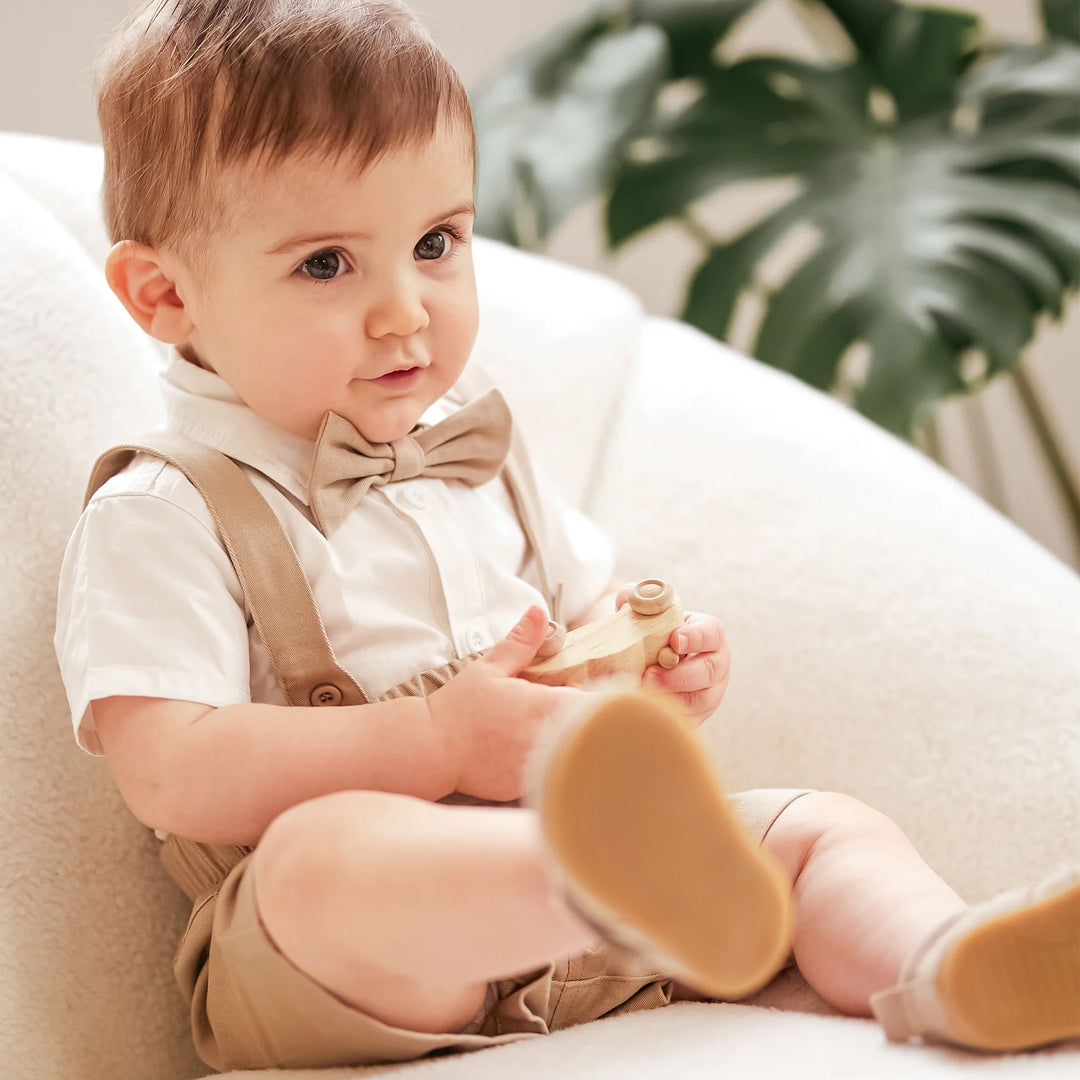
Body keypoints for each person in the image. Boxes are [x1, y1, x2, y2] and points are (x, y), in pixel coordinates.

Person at [55, 0, 1078, 1072]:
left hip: (584, 944)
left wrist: (637, 678)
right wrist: (439, 742)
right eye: (327, 265)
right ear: (164, 293)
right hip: (351, 964)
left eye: (436, 242)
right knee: (324, 858)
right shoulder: (167, 508)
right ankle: (607, 879)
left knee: (821, 833)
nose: (405, 310)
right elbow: (168, 772)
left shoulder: (475, 441)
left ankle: (947, 965)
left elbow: (572, 630)